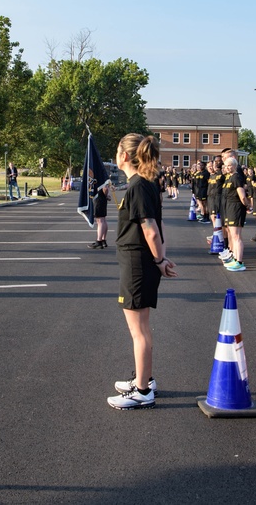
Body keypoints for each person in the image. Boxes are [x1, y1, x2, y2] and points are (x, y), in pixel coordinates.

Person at [108, 134, 177, 410]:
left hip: (138, 263)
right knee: (142, 329)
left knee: (139, 331)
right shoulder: (141, 184)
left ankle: (143, 390)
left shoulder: (138, 186)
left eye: (116, 151)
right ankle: (143, 377)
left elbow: (150, 228)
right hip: (138, 261)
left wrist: (160, 260)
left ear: (124, 156)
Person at [219, 157, 249, 272]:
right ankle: (235, 259)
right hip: (228, 208)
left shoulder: (236, 177)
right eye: (226, 166)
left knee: (236, 236)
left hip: (235, 208)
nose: (227, 168)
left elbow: (242, 195)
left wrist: (247, 205)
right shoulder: (229, 177)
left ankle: (239, 262)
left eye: (229, 165)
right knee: (232, 236)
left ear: (235, 166)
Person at [88, 182, 112, 249]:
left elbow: (105, 187)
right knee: (103, 220)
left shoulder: (99, 175)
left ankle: (99, 241)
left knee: (100, 220)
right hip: (101, 198)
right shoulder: (103, 174)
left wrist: (106, 195)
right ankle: (103, 240)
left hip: (99, 199)